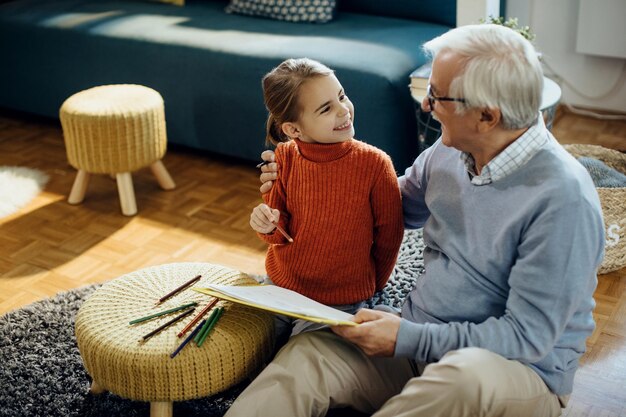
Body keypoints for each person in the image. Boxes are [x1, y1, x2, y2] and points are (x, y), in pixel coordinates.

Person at [226, 24, 605, 417]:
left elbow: (527, 337)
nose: (426, 105)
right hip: (416, 339)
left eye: (437, 96)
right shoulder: (449, 150)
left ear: (487, 116)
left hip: (512, 370)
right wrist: (307, 181)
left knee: (463, 378)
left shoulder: (563, 200)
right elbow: (385, 209)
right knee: (309, 355)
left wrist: (412, 338)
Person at [250, 58, 404, 338]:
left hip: (338, 300)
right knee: (250, 344)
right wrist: (267, 225)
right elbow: (278, 232)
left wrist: (371, 284)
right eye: (326, 108)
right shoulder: (283, 158)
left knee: (303, 357)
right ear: (293, 130)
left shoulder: (375, 164)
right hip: (281, 285)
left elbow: (390, 236)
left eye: (342, 96)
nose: (343, 110)